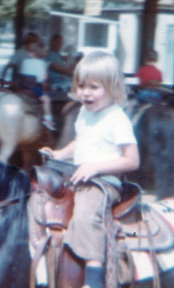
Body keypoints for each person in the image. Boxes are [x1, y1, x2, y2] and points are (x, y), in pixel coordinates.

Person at [41, 51, 140, 288]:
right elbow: (81, 141)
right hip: (81, 178)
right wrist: (59, 154)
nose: (85, 92)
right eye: (82, 86)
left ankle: (94, 277)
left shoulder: (116, 119)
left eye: (94, 87)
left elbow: (132, 160)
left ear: (112, 87)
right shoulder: (85, 112)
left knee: (86, 214)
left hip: (103, 183)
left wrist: (95, 167)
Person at [18, 42, 56, 131]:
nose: (28, 53)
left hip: (22, 87)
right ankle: (48, 119)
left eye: (29, 51)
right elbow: (44, 78)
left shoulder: (24, 61)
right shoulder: (42, 63)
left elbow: (20, 73)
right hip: (34, 88)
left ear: (32, 53)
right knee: (47, 99)